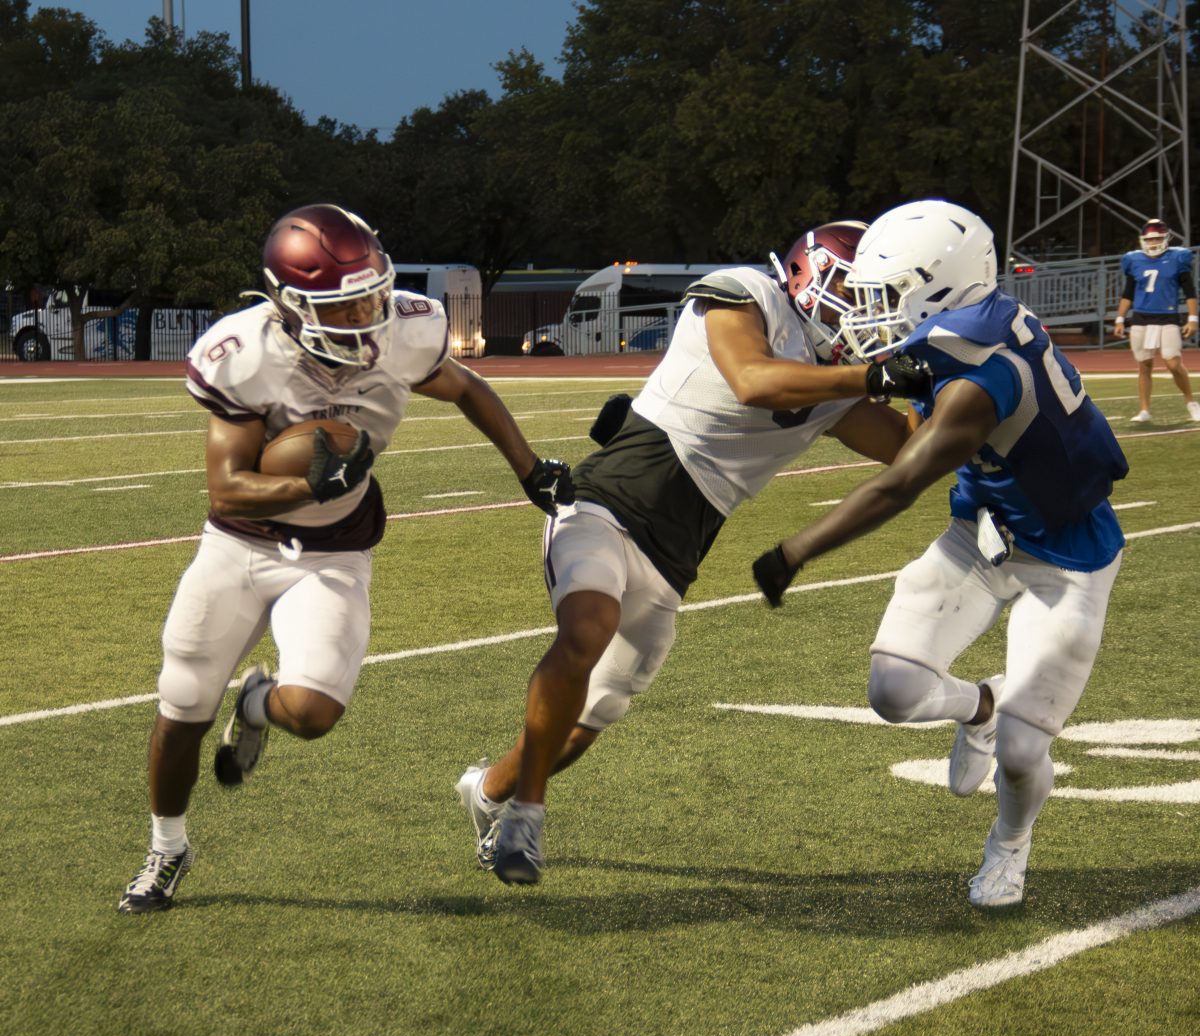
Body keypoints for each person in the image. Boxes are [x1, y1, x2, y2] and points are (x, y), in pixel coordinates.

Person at [118, 203, 574, 913]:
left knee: (316, 712)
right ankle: (167, 847)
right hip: (241, 545)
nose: (367, 316)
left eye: (372, 294)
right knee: (181, 708)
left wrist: (526, 467)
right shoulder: (245, 352)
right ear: (289, 306)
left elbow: (467, 388)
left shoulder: (406, 330)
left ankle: (258, 703)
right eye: (345, 303)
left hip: (335, 551)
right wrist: (305, 481)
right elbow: (227, 486)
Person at [455, 221, 935, 885]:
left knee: (589, 719)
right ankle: (526, 820)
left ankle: (487, 789)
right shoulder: (747, 294)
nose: (873, 312)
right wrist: (873, 377)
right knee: (585, 627)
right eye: (863, 291)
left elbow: (909, 450)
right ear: (810, 273)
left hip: (679, 550)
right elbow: (753, 380)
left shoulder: (840, 381)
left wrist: (947, 379)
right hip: (609, 497)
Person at [753, 199, 1128, 909]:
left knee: (1023, 753)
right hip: (984, 528)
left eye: (887, 294)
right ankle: (979, 704)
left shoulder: (982, 378)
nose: (872, 310)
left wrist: (795, 549)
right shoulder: (962, 326)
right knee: (893, 688)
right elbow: (904, 420)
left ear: (939, 287)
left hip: (1068, 557)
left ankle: (1010, 845)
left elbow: (899, 482)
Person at [1114, 218, 1200, 422]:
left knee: (1172, 363)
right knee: (1144, 365)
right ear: (1143, 240)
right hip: (1141, 318)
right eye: (1150, 239)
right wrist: (1119, 318)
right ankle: (1144, 410)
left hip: (1167, 317)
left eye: (1158, 238)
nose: (1154, 243)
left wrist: (1193, 318)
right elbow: (1128, 293)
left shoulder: (1177, 258)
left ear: (1166, 238)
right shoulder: (1134, 260)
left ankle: (1191, 403)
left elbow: (1189, 292)